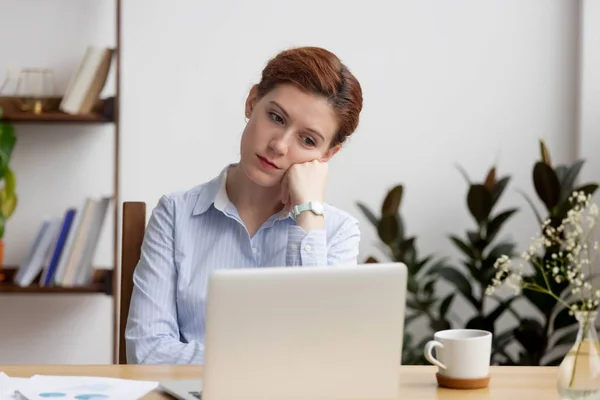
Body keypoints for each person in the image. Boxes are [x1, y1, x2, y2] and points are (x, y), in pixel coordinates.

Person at [125, 46, 364, 364]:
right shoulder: (175, 214)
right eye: (276, 117)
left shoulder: (338, 232)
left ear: (326, 155)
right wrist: (270, 363)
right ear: (252, 101)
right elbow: (147, 353)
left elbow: (320, 359)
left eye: (307, 140)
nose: (279, 145)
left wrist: (308, 214)